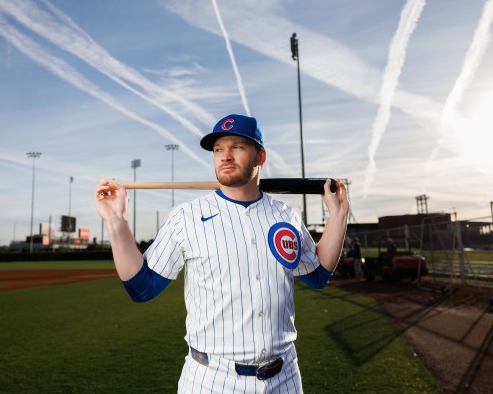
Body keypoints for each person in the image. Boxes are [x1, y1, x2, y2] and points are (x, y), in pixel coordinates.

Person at [94, 114, 349, 393]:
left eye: (237, 147)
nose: (225, 156)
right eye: (218, 150)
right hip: (212, 379)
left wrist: (337, 216)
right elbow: (142, 288)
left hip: (284, 377)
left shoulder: (286, 215)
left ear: (260, 156)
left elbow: (318, 275)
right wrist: (116, 222)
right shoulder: (186, 217)